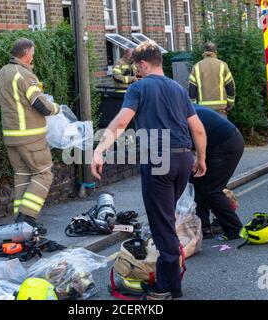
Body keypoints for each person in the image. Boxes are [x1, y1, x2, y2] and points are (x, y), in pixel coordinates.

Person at [91, 41, 207, 300]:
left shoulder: (139, 87)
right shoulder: (178, 89)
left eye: (136, 66)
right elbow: (197, 127)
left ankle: (167, 287)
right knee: (166, 219)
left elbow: (121, 122)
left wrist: (99, 151)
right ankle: (169, 278)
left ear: (143, 64)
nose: (136, 71)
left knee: (162, 225)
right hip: (183, 159)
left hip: (158, 161)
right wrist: (201, 158)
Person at [0, 38, 60, 232]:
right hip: (30, 136)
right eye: (32, 53)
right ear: (26, 53)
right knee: (43, 173)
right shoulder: (25, 75)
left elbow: (1, 102)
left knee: (22, 175)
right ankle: (28, 218)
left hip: (11, 135)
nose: (33, 57)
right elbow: (40, 105)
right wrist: (56, 108)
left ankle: (19, 223)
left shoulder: (0, 74)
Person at [190, 105, 244, 241]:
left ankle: (234, 229)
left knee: (212, 190)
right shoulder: (183, 108)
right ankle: (203, 229)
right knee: (196, 182)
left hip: (227, 145)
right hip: (216, 145)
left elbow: (195, 135)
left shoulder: (180, 114)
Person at [188, 42, 236, 117]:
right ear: (215, 51)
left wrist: (194, 107)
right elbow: (230, 86)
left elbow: (191, 89)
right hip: (221, 110)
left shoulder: (196, 67)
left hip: (203, 110)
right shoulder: (223, 65)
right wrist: (230, 104)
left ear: (204, 52)